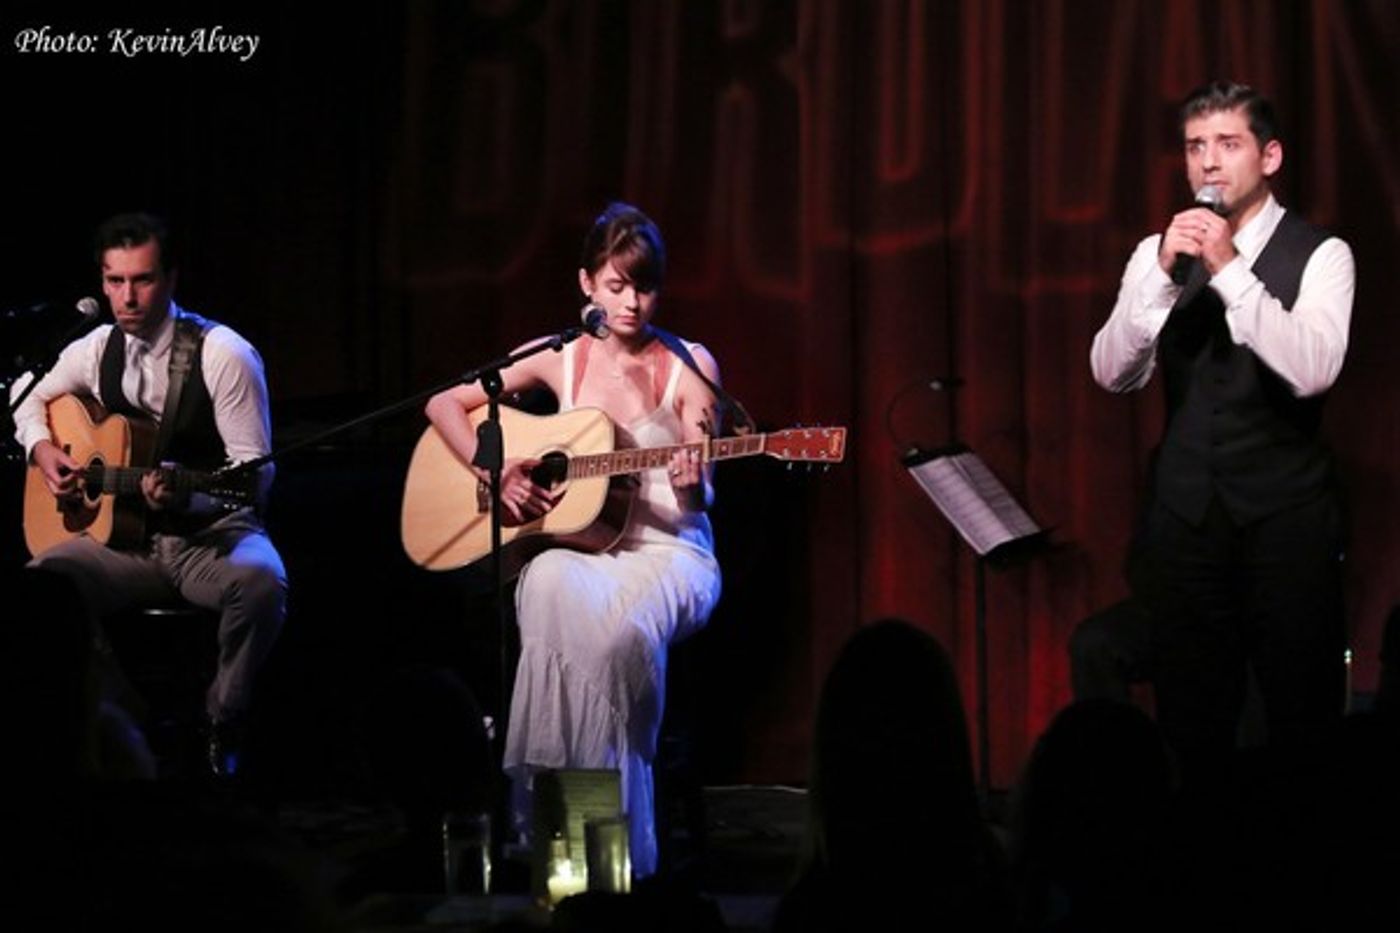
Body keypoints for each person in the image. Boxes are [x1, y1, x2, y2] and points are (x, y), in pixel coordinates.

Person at [424, 202, 723, 878]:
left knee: (612, 636)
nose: (632, 303)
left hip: (669, 554)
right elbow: (442, 404)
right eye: (617, 286)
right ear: (586, 285)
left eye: (644, 286)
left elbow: (700, 498)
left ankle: (605, 848)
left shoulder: (689, 365)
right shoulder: (560, 357)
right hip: (588, 551)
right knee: (549, 579)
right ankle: (566, 843)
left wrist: (688, 482)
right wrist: (493, 468)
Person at [1090, 82, 1354, 794]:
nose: (1208, 164)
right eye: (1195, 147)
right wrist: (1159, 283)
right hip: (1186, 526)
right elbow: (1112, 373)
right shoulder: (1156, 254)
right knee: (1193, 727)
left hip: (1284, 527)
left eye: (1227, 145)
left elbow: (1313, 368)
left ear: (1269, 156)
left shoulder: (1323, 255)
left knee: (1297, 729)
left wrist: (1230, 271)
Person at [10, 212, 287, 777]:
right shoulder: (95, 349)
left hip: (212, 536)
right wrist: (43, 451)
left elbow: (255, 476)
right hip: (126, 543)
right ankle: (118, 725)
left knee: (263, 585)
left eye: (142, 280)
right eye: (115, 281)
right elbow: (24, 395)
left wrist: (192, 498)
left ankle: (220, 723)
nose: (127, 297)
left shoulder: (222, 353)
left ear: (171, 279)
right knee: (42, 588)